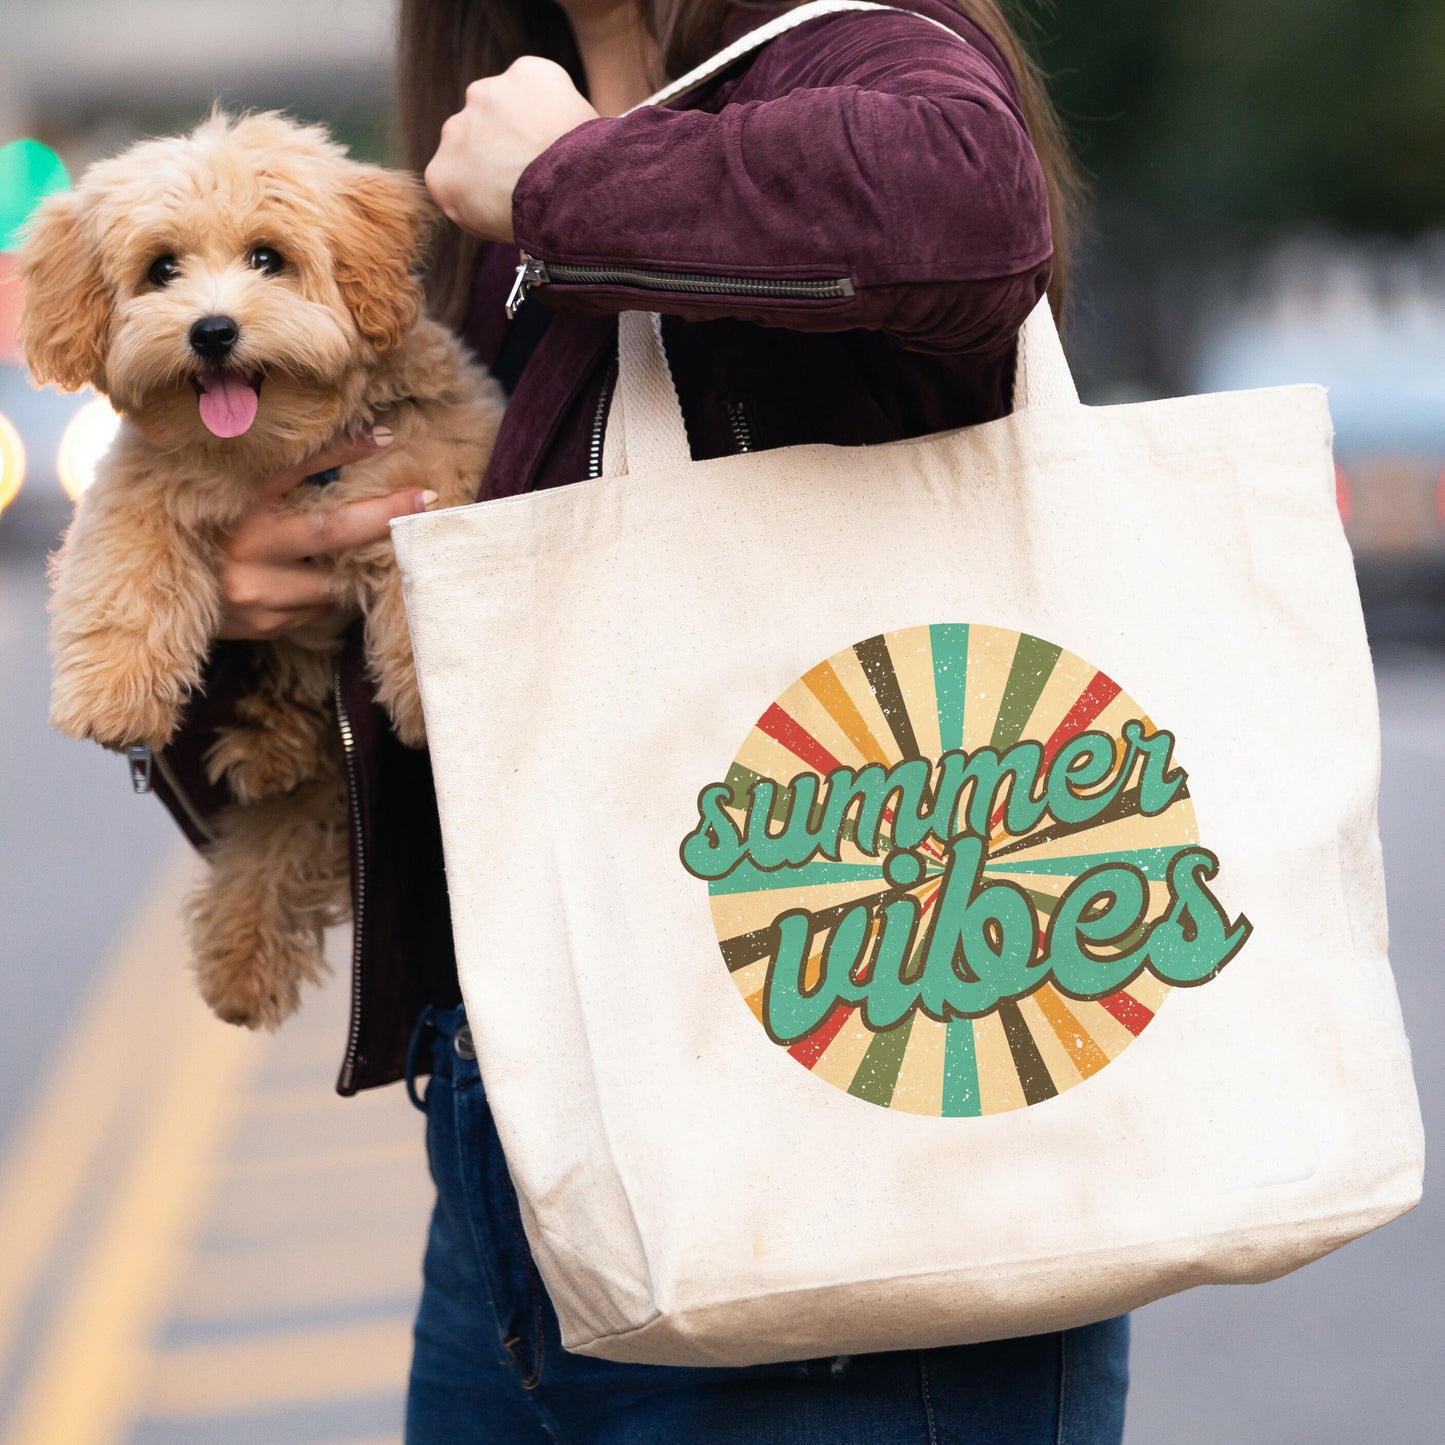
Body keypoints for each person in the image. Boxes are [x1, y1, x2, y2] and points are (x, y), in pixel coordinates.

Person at [151, 1, 1130, 1439]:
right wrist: (241, 622)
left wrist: (569, 182)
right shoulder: (480, 172)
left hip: (849, 1170)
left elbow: (973, 207)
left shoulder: (844, 45)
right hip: (512, 1177)